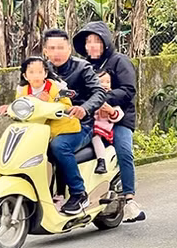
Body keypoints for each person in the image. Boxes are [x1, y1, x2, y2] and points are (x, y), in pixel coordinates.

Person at [72, 21, 145, 223]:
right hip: (91, 120)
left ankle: (130, 199)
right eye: (88, 42)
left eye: (96, 41)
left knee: (124, 150)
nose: (92, 46)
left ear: (105, 42)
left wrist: (104, 100)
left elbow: (128, 90)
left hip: (119, 118)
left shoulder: (119, 61)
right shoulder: (82, 67)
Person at [43, 29, 106, 215]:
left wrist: (84, 108)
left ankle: (79, 194)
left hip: (81, 125)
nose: (57, 52)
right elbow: (26, 90)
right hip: (48, 124)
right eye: (52, 48)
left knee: (59, 146)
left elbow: (99, 92)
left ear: (69, 48)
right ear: (45, 50)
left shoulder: (82, 67)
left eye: (61, 47)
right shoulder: (41, 70)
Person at [92, 70, 125, 175]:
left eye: (107, 82)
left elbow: (119, 114)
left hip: (102, 128)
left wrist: (111, 111)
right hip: (90, 126)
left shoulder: (111, 98)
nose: (105, 85)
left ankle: (101, 162)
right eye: (101, 82)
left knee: (95, 138)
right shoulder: (91, 96)